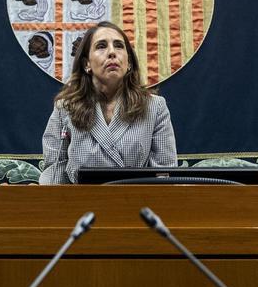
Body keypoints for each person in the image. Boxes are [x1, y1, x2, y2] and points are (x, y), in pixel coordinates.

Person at [39, 21, 176, 184]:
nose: (112, 52)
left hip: (136, 204)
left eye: (119, 46)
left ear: (129, 63)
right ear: (86, 64)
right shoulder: (65, 108)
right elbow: (54, 173)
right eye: (101, 46)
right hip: (80, 205)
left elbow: (164, 176)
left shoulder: (154, 107)